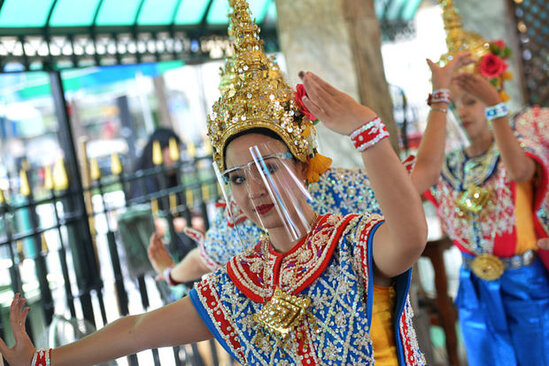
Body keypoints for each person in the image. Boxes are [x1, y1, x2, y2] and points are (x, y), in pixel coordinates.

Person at [0, 1, 428, 364]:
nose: (253, 190)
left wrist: (366, 131)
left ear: (303, 167)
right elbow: (137, 330)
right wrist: (43, 359)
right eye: (237, 178)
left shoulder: (351, 241)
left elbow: (410, 237)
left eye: (269, 168)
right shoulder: (244, 278)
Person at [414, 1, 549, 365]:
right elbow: (412, 185)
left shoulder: (518, 145)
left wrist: (497, 111)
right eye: (456, 104)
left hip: (524, 284)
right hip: (472, 286)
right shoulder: (447, 164)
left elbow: (521, 174)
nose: (464, 112)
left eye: (472, 101)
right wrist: (438, 101)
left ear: (494, 96)